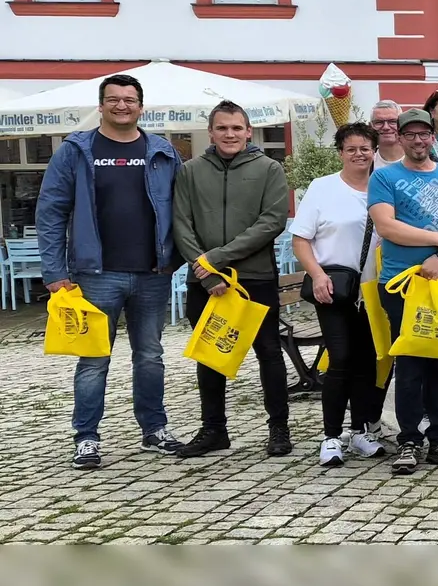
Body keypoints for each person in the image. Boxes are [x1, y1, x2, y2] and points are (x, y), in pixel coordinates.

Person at [39, 74, 185, 470]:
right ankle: (86, 438)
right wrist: (54, 271)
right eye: (114, 99)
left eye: (130, 99)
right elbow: (51, 212)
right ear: (100, 105)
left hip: (154, 272)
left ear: (141, 106)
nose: (122, 106)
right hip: (95, 273)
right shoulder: (75, 150)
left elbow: (183, 208)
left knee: (151, 355)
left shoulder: (162, 151)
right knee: (93, 359)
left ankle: (154, 429)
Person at [172, 101, 292, 458]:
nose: (230, 134)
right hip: (204, 282)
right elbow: (181, 223)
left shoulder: (270, 168)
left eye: (236, 128)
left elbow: (272, 222)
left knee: (268, 353)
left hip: (255, 278)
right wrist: (208, 273)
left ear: (248, 131)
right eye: (222, 128)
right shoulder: (190, 171)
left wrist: (217, 259)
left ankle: (279, 429)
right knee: (209, 356)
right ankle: (214, 430)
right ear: (210, 132)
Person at [369, 108, 438, 475]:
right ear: (399, 138)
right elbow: (388, 227)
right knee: (411, 363)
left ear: (433, 137)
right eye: (410, 134)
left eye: (424, 133)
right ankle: (409, 440)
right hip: (402, 283)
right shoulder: (384, 177)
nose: (418, 140)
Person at [291, 122, 388, 467]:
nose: (359, 154)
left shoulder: (385, 185)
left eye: (365, 147)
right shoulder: (323, 188)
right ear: (341, 153)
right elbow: (300, 239)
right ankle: (331, 436)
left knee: (367, 360)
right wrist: (316, 274)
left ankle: (361, 430)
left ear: (375, 149)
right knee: (341, 358)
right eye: (351, 149)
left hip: (375, 289)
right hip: (333, 288)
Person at [370, 100, 406, 168]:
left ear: (402, 124)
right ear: (371, 126)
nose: (386, 127)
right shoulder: (366, 162)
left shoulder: (417, 158)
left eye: (392, 121)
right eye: (379, 122)